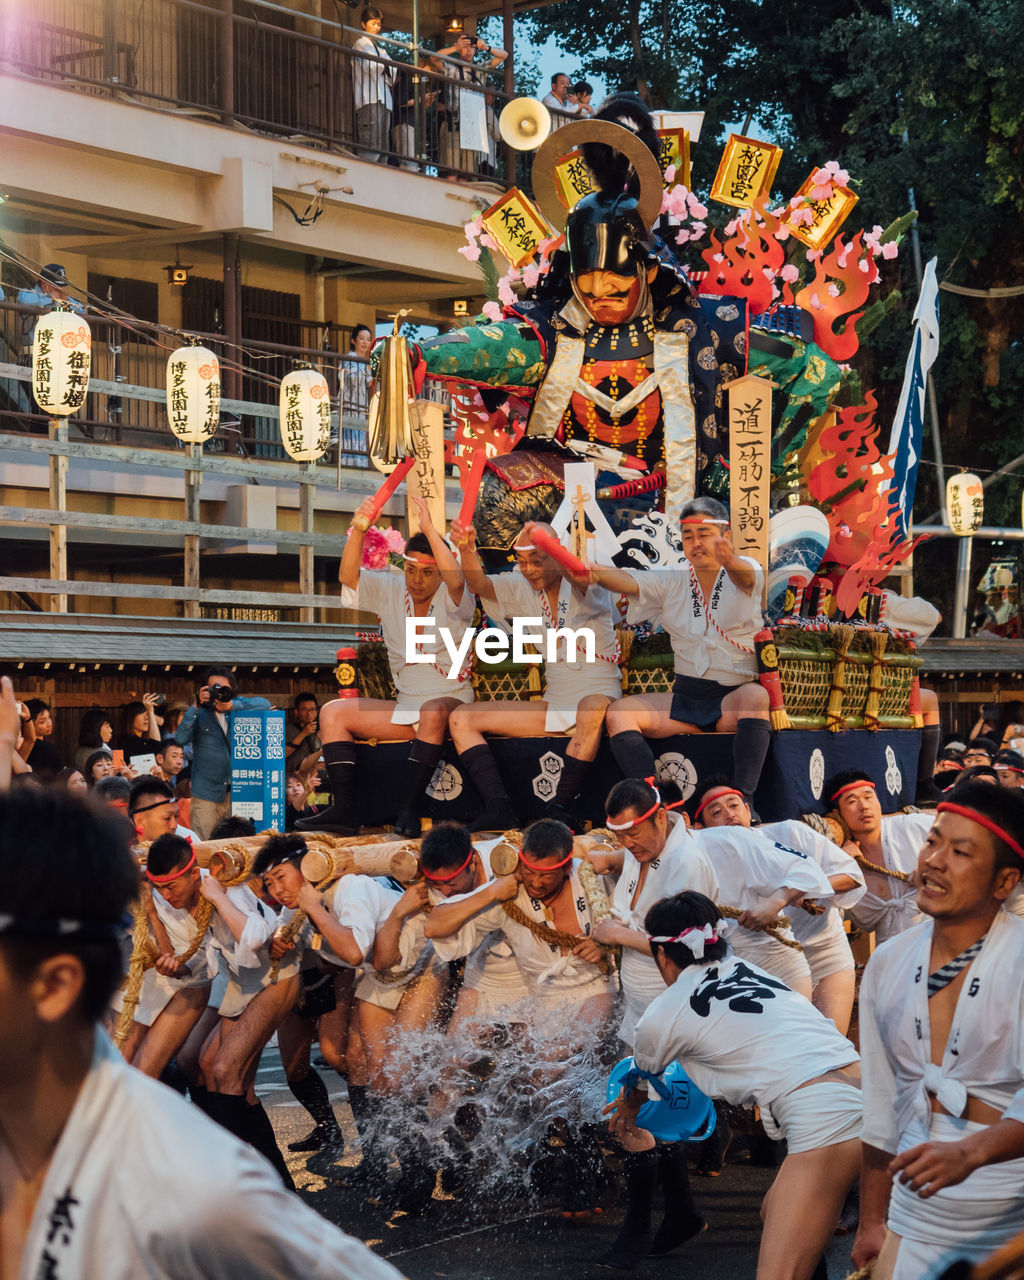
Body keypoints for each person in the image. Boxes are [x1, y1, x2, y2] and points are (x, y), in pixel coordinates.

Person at [0, 786, 404, 1280]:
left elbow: (257, 940)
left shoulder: (206, 1194)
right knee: (204, 1068)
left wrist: (213, 892)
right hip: (230, 983)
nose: (169, 892)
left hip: (275, 978)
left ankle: (282, 1184)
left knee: (229, 1070)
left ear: (56, 984)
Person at [606, 890, 862, 1280]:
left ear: (660, 954)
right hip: (868, 1088)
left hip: (825, 1117)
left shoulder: (662, 1015)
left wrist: (629, 1106)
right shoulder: (748, 969)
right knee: (774, 1211)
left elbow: (642, 1077)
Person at [852, 783, 1024, 1280]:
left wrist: (972, 1151)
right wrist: (871, 1220)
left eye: (961, 851)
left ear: (1003, 881)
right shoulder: (887, 961)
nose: (935, 861)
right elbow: (882, 1101)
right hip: (914, 1208)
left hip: (1007, 1221)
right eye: (933, 841)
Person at [588, 778, 715, 1268]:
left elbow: (694, 949)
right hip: (640, 1002)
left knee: (630, 1113)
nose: (628, 845)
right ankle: (681, 1212)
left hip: (674, 1003)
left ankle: (636, 1232)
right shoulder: (643, 852)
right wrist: (610, 860)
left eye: (633, 834)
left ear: (660, 817)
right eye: (618, 837)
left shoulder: (687, 862)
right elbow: (634, 869)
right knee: (652, 1117)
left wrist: (617, 933)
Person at [300, 495, 474, 838]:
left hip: (450, 704)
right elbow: (348, 578)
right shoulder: (392, 588)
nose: (418, 580)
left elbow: (455, 581)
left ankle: (408, 806)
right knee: (334, 712)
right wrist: (359, 530)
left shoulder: (456, 594)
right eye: (411, 570)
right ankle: (345, 809)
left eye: (428, 572)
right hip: (406, 706)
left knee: (434, 710)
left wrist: (429, 530)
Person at [588, 496, 772, 806]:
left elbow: (747, 578)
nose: (696, 543)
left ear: (725, 537)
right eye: (689, 536)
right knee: (620, 713)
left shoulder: (746, 567)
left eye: (704, 534)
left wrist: (730, 561)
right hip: (686, 698)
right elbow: (632, 582)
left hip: (731, 698)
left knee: (756, 698)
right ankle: (652, 800)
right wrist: (594, 572)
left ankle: (745, 801)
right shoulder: (673, 578)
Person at [448, 517, 623, 831]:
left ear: (556, 555)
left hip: (599, 697)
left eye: (537, 560)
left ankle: (560, 807)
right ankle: (499, 806)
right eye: (522, 561)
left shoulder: (585, 581)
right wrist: (466, 549)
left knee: (591, 707)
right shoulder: (521, 585)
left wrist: (552, 545)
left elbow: (581, 577)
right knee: (462, 718)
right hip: (555, 702)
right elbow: (480, 585)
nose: (528, 569)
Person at [689, 777, 865, 1034]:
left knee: (832, 1045)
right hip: (765, 964)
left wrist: (799, 890)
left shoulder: (790, 832)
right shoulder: (704, 865)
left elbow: (851, 876)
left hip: (823, 949)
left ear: (748, 811)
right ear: (700, 828)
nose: (729, 815)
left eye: (734, 805)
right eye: (716, 812)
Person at [828, 769, 934, 945]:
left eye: (869, 797)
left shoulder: (912, 826)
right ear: (837, 813)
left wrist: (937, 871)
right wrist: (843, 865)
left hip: (937, 940)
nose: (864, 806)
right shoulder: (840, 859)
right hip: (890, 955)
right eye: (853, 801)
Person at [175, 669, 270, 840]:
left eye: (223, 688)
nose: (218, 692)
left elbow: (265, 704)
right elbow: (181, 738)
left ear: (232, 689)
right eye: (214, 688)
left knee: (239, 843)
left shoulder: (240, 706)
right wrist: (195, 705)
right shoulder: (199, 713)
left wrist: (232, 705)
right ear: (205, 690)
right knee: (204, 844)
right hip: (205, 794)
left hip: (239, 792)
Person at [434, 32, 507, 177]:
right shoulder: (452, 69)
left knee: (466, 174)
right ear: (460, 50)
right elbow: (433, 57)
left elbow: (504, 55)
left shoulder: (479, 71)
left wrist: (486, 47)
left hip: (472, 128)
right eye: (465, 47)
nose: (469, 50)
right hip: (453, 124)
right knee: (451, 172)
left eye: (472, 47)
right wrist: (455, 47)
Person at [352, 8, 396, 163]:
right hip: (368, 97)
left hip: (383, 98)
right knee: (370, 142)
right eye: (373, 23)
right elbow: (370, 67)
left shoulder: (381, 49)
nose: (377, 27)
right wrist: (384, 67)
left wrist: (384, 67)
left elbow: (393, 69)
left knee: (383, 143)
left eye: (378, 24)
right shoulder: (359, 44)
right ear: (363, 24)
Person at [128, 775, 199, 844]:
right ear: (139, 820)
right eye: (167, 818)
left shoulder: (187, 837)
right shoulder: (121, 848)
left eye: (176, 816)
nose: (174, 825)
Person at [17, 699, 63, 782]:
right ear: (29, 724)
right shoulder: (47, 748)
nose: (49, 723)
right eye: (42, 721)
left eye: (49, 718)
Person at [117, 693, 162, 764]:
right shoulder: (130, 741)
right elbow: (156, 744)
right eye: (142, 714)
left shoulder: (141, 740)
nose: (147, 718)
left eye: (147, 714)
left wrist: (151, 712)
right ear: (131, 717)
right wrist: (150, 711)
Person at [286, 692, 321, 771]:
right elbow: (283, 754)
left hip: (315, 774)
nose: (308, 713)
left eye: (312, 709)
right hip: (295, 776)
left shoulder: (320, 729)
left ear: (316, 712)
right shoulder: (289, 729)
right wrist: (303, 734)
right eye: (304, 709)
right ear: (296, 712)